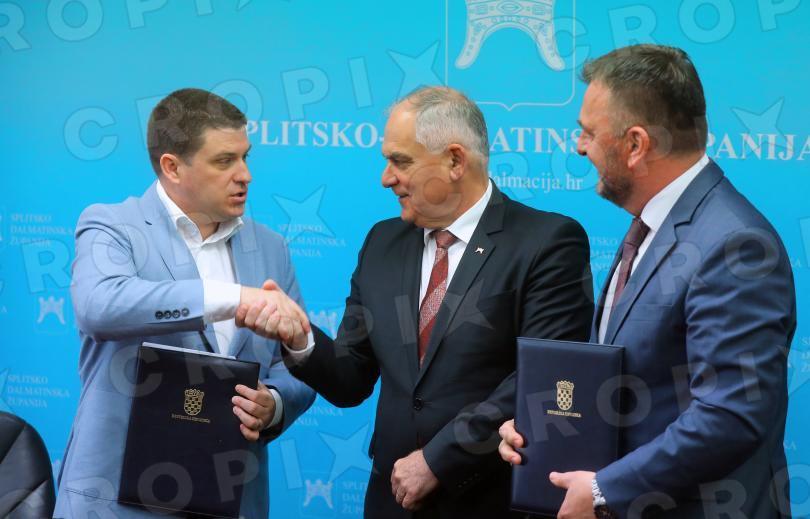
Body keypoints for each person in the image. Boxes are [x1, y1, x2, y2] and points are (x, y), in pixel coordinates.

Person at [237, 86, 594, 518]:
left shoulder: (547, 243)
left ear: (455, 161)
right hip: (392, 501)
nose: (386, 178)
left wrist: (438, 460)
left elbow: (540, 381)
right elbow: (351, 379)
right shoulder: (382, 242)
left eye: (400, 161)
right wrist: (300, 338)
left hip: (491, 499)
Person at [498, 44, 796, 519]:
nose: (579, 146)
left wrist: (604, 490)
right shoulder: (656, 224)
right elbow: (636, 383)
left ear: (636, 144)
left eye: (588, 132)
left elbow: (729, 415)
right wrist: (543, 427)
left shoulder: (734, 243)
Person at [54, 88, 316, 518]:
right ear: (172, 167)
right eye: (224, 161)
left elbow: (298, 364)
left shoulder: (272, 248)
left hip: (230, 498)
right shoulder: (111, 226)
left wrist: (274, 404)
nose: (245, 175)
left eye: (245, 157)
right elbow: (99, 306)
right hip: (115, 503)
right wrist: (232, 297)